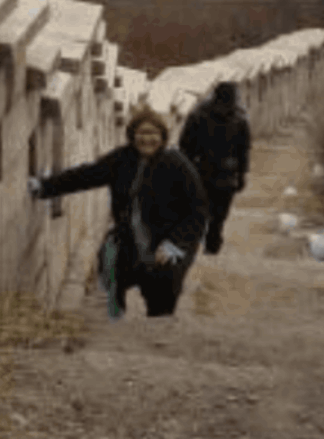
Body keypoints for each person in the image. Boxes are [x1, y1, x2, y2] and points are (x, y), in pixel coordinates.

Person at [29, 106, 208, 318]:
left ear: (163, 136)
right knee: (110, 262)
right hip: (130, 236)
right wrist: (45, 187)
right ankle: (117, 313)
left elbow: (198, 211)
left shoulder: (178, 164)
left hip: (169, 240)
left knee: (162, 289)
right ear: (132, 135)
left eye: (153, 133)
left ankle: (159, 325)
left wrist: (175, 243)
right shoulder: (122, 159)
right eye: (141, 133)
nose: (147, 139)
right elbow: (88, 175)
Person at [176, 81, 251, 255]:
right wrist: (241, 175)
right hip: (224, 174)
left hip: (206, 172)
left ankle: (204, 241)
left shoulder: (198, 115)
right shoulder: (239, 119)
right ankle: (211, 243)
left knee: (206, 212)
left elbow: (185, 146)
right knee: (217, 214)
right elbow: (244, 150)